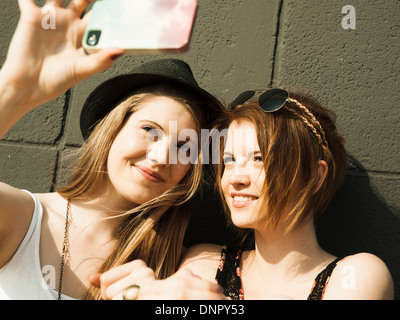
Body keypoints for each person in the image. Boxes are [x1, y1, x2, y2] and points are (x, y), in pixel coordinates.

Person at [0, 0, 226, 300]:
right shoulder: (21, 217)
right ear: (113, 130)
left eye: (185, 147)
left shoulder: (180, 274)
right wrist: (13, 91)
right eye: (150, 131)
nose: (161, 158)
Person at [96, 88, 394, 300]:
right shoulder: (204, 262)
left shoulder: (356, 275)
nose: (235, 178)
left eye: (259, 158)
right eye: (228, 160)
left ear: (315, 176)